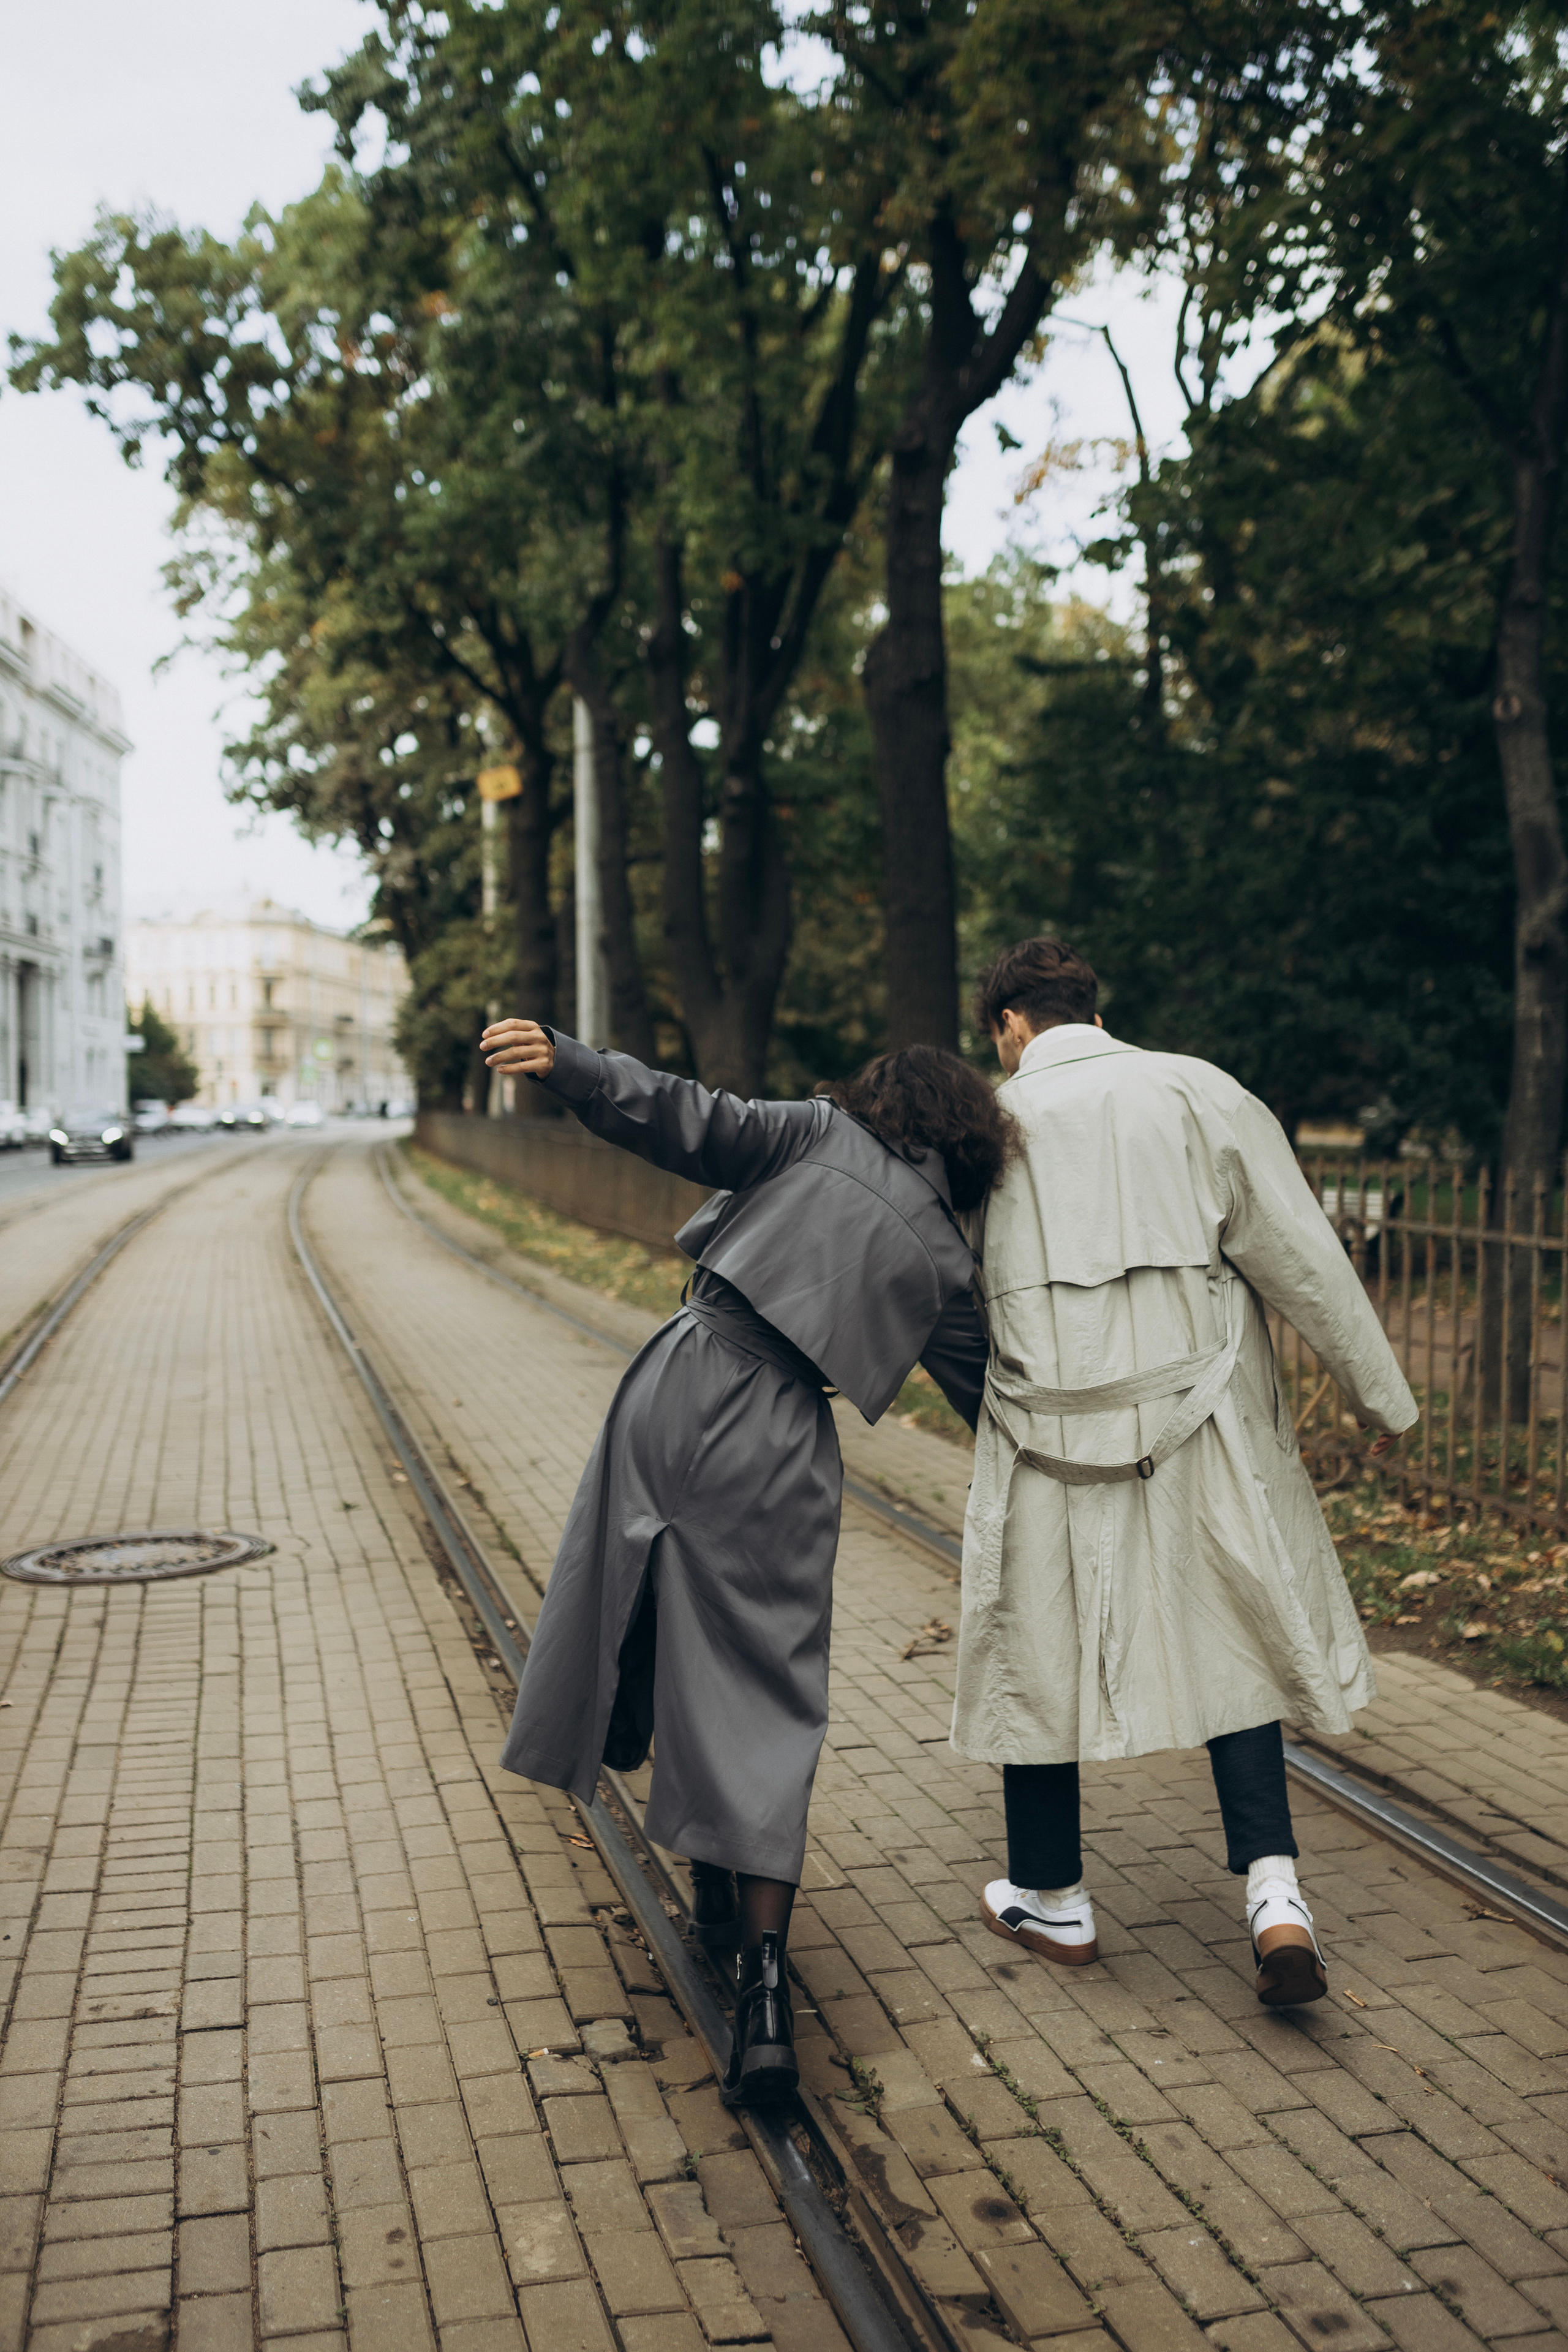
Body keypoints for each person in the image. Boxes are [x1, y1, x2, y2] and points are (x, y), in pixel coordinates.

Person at [480, 1016, 1011, 2103]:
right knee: (763, 1680)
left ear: (879, 1101)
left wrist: (575, 1065)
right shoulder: (948, 1257)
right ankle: (764, 1991)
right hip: (781, 1442)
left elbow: (686, 1116)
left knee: (652, 1614)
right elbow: (999, 1396)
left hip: (679, 1384)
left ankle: (707, 1877)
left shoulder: (812, 1136)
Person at [954, 938, 1417, 2007]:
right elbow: (1304, 1253)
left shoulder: (984, 1121)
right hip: (1199, 1421)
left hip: (1045, 1440)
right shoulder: (1198, 1092)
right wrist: (1379, 1396)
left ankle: (1053, 1897)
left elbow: (942, 1280)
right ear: (1090, 1009)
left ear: (1009, 1027)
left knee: (1039, 1642)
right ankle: (1274, 1894)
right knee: (1233, 1637)